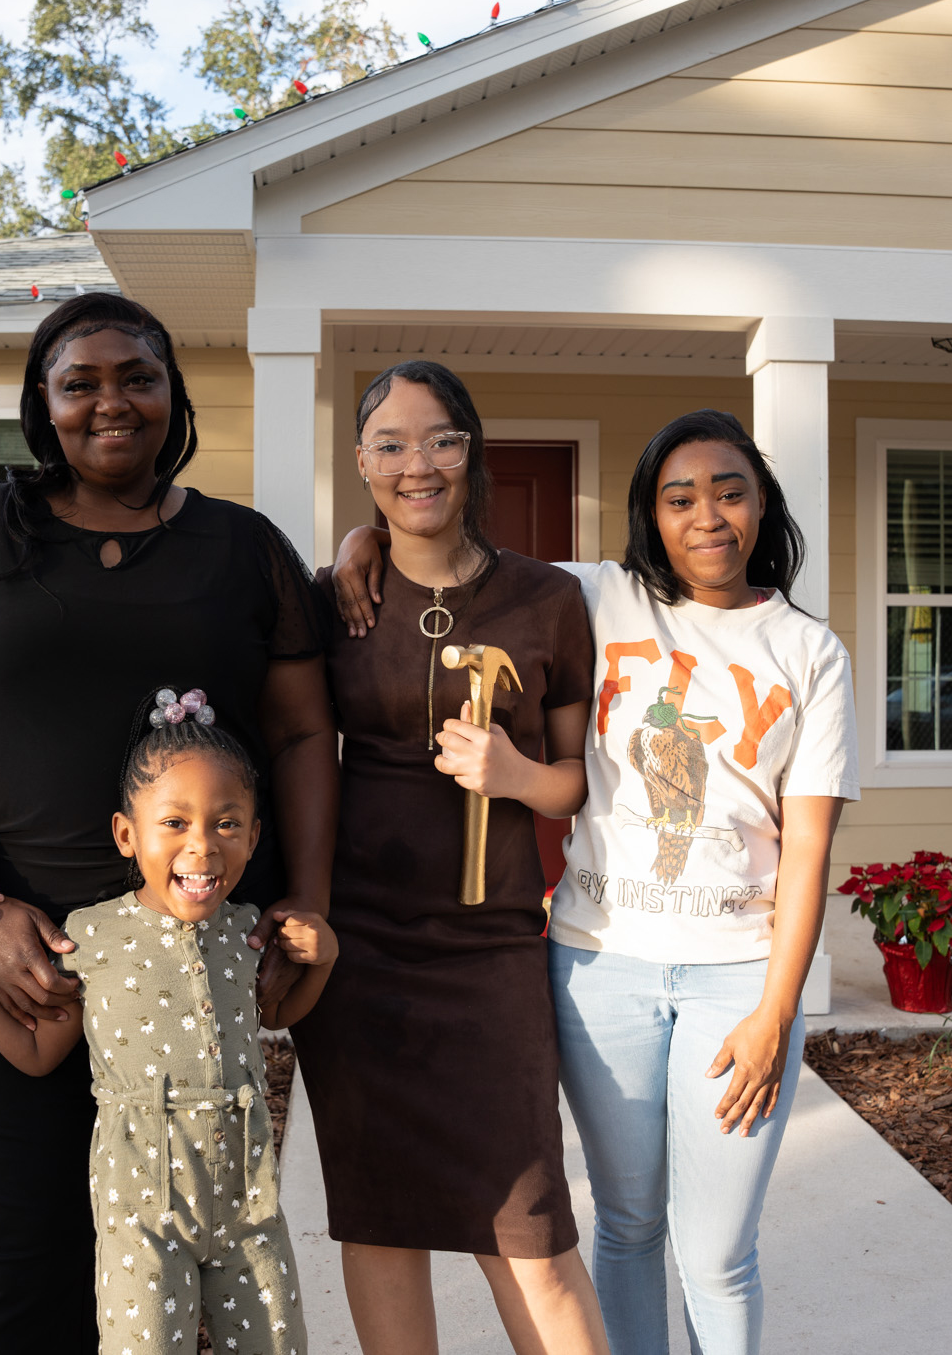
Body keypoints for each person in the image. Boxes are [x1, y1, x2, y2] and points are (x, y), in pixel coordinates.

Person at [0, 291, 336, 1352]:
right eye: (80, 382)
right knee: (23, 1248)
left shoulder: (243, 548)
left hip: (188, 967)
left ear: (173, 396)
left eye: (138, 377)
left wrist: (306, 895)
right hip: (18, 958)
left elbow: (305, 737)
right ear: (43, 404)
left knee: (180, 1252)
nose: (110, 402)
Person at [331, 408, 858, 1354]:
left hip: (735, 978)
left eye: (730, 491)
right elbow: (441, 544)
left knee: (719, 1252)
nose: (707, 516)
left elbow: (810, 849)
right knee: (625, 1227)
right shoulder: (597, 594)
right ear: (649, 515)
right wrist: (362, 537)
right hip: (599, 965)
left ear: (763, 503)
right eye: (679, 496)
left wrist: (778, 1009)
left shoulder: (810, 652)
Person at [291, 360, 609, 1355]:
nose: (414, 464)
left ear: (471, 452)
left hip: (490, 953)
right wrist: (355, 550)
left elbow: (572, 780)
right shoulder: (331, 602)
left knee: (531, 1233)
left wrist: (515, 774)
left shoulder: (546, 599)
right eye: (388, 443)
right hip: (360, 956)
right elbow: (295, 754)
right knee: (379, 1218)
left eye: (438, 439)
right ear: (360, 462)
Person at [0, 686, 337, 1355]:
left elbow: (280, 1010)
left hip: (247, 1204)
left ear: (255, 833)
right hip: (142, 1207)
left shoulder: (247, 933)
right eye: (174, 823)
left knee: (276, 1344)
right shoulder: (92, 937)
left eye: (227, 823)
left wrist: (324, 957)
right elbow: (35, 1052)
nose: (202, 846)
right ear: (128, 833)